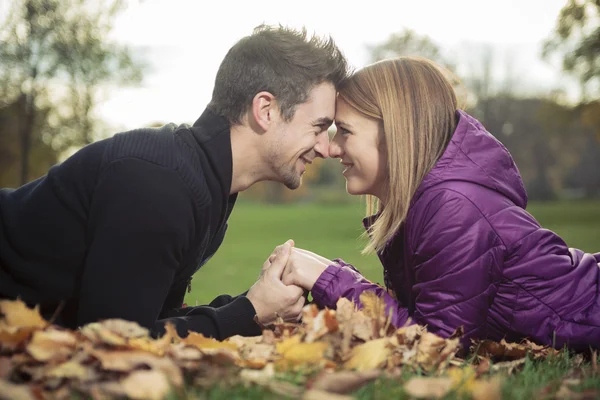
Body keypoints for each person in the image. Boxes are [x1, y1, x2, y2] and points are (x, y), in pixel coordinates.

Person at [0, 24, 349, 339]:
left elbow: (151, 320)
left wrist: (257, 302)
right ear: (266, 111)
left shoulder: (207, 184)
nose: (327, 147)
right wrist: (249, 313)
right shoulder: (159, 185)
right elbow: (113, 342)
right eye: (319, 127)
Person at [279, 56, 600, 351]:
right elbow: (427, 312)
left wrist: (329, 278)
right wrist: (327, 276)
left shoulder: (454, 206)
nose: (332, 149)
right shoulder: (428, 201)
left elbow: (438, 344)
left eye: (345, 131)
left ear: (395, 132)